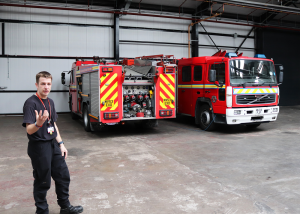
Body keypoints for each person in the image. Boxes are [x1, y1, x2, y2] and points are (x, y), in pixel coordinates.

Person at [22, 71, 83, 214]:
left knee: (63, 175)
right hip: (39, 147)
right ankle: (42, 211)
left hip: (53, 144)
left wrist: (61, 143)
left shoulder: (50, 102)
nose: (46, 87)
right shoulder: (31, 103)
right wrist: (38, 123)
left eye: (48, 84)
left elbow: (53, 125)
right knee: (43, 180)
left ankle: (65, 207)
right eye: (43, 84)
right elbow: (29, 130)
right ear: (36, 85)